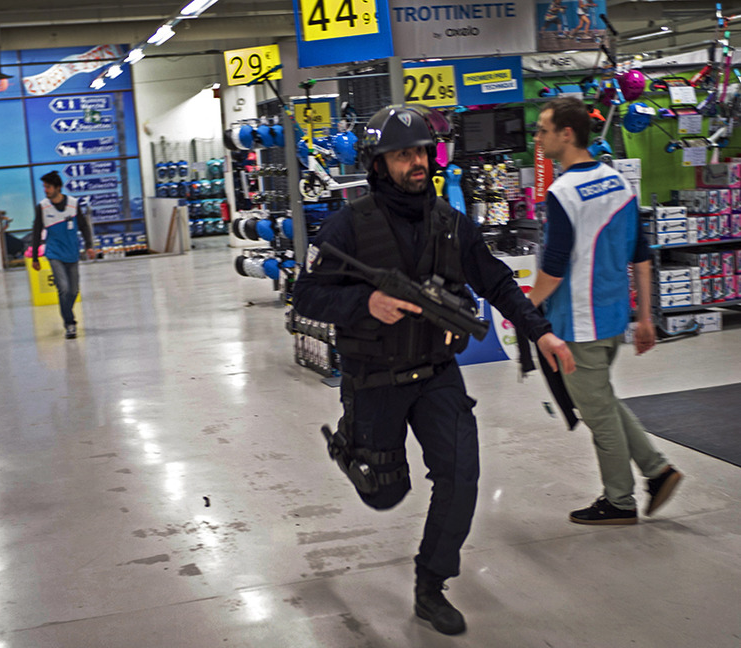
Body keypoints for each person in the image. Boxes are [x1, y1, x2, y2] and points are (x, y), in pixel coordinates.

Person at [292, 105, 576, 636]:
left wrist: (541, 331)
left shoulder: (453, 225)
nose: (416, 162)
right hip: (373, 377)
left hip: (436, 372)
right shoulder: (348, 226)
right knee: (385, 493)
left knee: (461, 475)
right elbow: (305, 295)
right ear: (379, 165)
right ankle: (352, 441)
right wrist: (365, 304)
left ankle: (430, 584)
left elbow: (498, 283)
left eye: (422, 151)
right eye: (403, 154)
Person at [529, 96, 683, 526]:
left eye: (542, 130)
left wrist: (525, 305)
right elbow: (641, 254)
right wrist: (646, 317)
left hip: (579, 325)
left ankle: (619, 501)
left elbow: (554, 268)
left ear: (567, 134)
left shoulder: (562, 192)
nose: (537, 138)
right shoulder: (619, 183)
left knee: (599, 416)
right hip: (614, 319)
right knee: (604, 402)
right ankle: (659, 470)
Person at [31, 170, 96, 339]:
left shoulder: (73, 204)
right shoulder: (43, 207)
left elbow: (83, 226)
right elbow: (37, 232)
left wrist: (89, 245)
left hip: (72, 253)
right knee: (63, 288)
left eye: (48, 187)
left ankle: (67, 316)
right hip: (54, 254)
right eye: (44, 187)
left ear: (58, 187)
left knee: (73, 291)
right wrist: (36, 258)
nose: (46, 190)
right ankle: (70, 323)